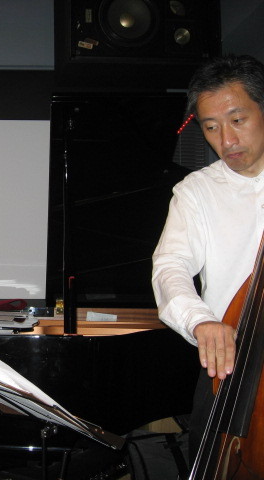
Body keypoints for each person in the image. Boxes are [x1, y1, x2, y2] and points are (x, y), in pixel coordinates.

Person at [152, 54, 264, 462]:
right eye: (211, 127)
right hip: (229, 366)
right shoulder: (196, 191)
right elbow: (171, 266)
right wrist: (201, 320)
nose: (226, 141)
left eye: (238, 120)